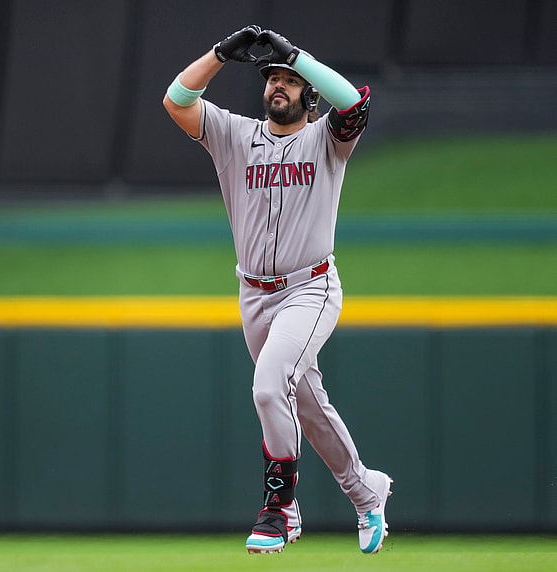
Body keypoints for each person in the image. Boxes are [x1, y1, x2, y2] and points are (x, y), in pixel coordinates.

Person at [163, 26, 392, 554]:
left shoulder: (326, 140)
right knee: (306, 406)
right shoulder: (235, 136)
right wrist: (221, 54)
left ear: (308, 92)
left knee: (269, 387)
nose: (279, 86)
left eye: (289, 79)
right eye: (273, 78)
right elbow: (177, 100)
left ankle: (280, 507)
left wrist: (298, 56)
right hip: (254, 295)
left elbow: (354, 103)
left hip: (310, 288)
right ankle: (366, 491)